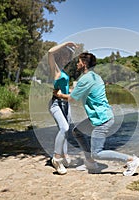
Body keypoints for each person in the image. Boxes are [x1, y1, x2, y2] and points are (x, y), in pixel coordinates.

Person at [54, 52, 139, 176]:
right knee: (77, 131)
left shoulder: (86, 79)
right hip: (99, 116)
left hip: (102, 119)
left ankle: (131, 160)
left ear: (84, 63)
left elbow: (72, 99)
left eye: (79, 61)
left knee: (97, 153)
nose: (77, 64)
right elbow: (78, 92)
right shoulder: (94, 76)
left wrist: (57, 94)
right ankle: (90, 162)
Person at [48, 42, 77, 175]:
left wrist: (72, 91)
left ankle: (64, 156)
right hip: (56, 104)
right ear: (60, 55)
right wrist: (67, 44)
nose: (67, 58)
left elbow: (64, 88)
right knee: (64, 128)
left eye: (68, 56)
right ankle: (56, 159)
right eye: (65, 55)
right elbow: (50, 52)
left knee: (66, 130)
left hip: (65, 103)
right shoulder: (55, 69)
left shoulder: (64, 71)